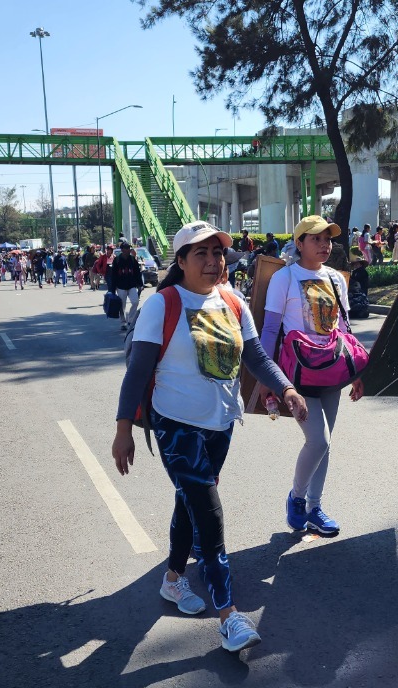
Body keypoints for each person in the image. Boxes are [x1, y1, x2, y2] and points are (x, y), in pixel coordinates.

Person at [112, 220, 308, 653]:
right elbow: (138, 371)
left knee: (189, 500)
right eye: (200, 253)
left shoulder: (233, 301)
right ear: (180, 261)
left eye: (217, 253)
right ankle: (229, 618)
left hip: (220, 425)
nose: (212, 260)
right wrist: (123, 429)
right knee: (209, 514)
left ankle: (172, 580)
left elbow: (256, 356)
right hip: (175, 424)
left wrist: (287, 389)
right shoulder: (161, 305)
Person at [261, 215, 363, 535]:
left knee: (325, 444)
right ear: (300, 242)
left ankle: (314, 508)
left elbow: (344, 327)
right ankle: (297, 497)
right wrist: (269, 381)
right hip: (298, 373)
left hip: (332, 367)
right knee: (317, 440)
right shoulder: (284, 278)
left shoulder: (334, 278)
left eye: (327, 239)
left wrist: (357, 372)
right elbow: (269, 329)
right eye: (316, 238)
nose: (324, 244)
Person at [111, 241, 144, 331]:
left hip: (131, 285)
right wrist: (112, 289)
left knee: (135, 302)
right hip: (120, 286)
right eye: (126, 248)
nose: (128, 250)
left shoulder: (133, 260)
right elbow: (113, 275)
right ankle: (123, 323)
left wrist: (140, 284)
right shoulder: (117, 260)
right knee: (122, 305)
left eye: (129, 248)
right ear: (122, 250)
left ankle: (131, 320)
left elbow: (137, 273)